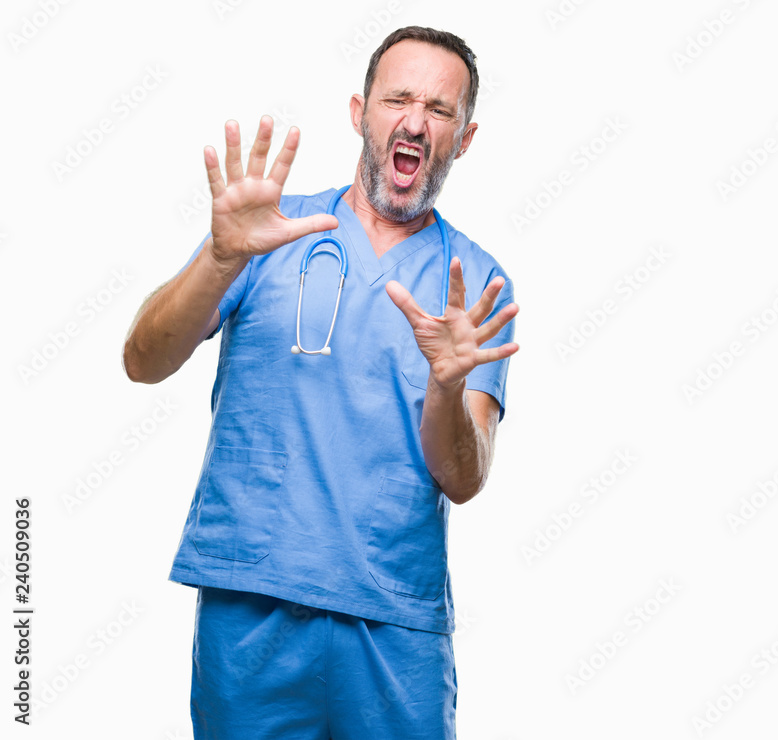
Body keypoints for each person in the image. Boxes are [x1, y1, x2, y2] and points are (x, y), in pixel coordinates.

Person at [122, 26, 518, 739]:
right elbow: (143, 360)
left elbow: (465, 478)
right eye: (398, 99)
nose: (415, 122)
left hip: (396, 625)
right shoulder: (269, 231)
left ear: (463, 139)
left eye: (439, 109)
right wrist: (219, 258)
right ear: (360, 112)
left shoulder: (477, 285)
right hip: (252, 604)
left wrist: (446, 385)